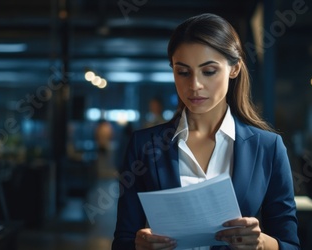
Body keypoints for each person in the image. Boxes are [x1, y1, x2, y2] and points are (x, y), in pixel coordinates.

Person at [112, 13, 300, 250]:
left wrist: (262, 243)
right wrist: (139, 246)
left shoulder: (267, 147)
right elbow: (123, 241)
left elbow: (290, 244)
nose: (195, 85)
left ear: (234, 69)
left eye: (208, 71)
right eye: (183, 72)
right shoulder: (143, 145)